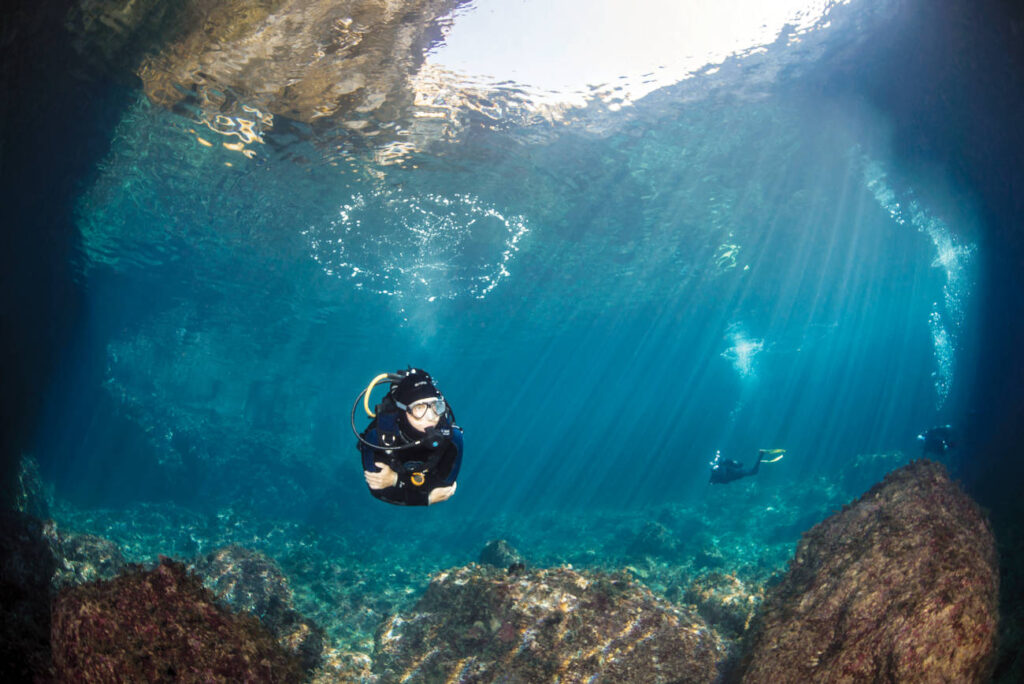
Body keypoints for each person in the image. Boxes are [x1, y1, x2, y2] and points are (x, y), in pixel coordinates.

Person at [354, 368, 463, 506]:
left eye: (436, 406)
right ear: (403, 410)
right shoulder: (378, 437)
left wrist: (395, 480)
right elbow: (378, 491)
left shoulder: (453, 437)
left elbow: (444, 488)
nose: (431, 417)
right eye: (419, 408)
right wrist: (426, 498)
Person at [709, 448, 784, 484]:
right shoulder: (718, 473)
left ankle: (761, 455)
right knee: (753, 472)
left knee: (754, 472)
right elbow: (740, 464)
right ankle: (760, 456)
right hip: (735, 472)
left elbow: (714, 481)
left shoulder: (717, 476)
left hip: (735, 472)